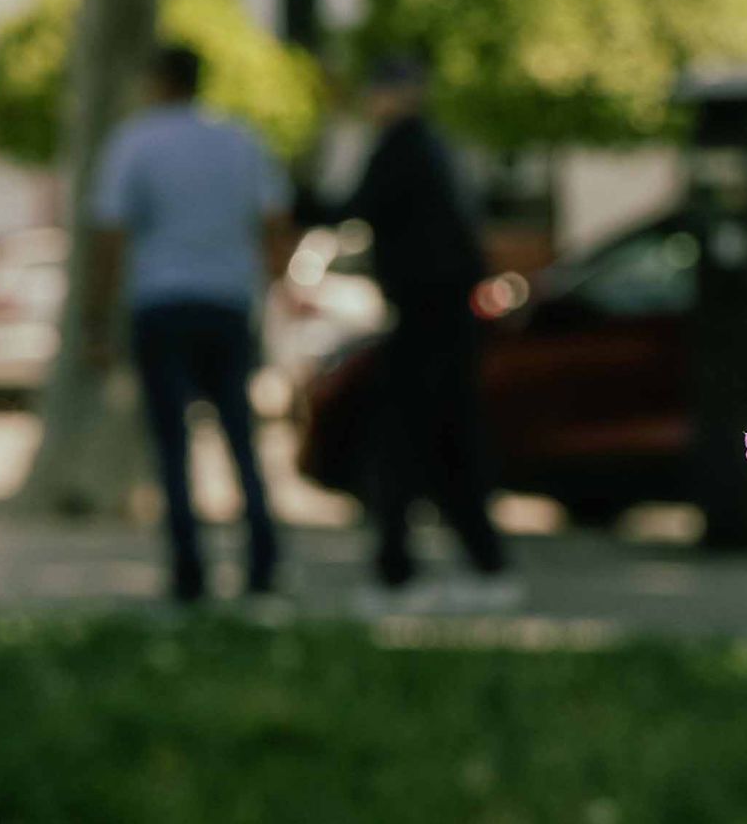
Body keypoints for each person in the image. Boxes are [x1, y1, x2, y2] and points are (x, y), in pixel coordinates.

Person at [87, 45, 292, 604]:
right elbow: (273, 220)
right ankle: (262, 566)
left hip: (162, 304)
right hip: (227, 303)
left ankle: (188, 573)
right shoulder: (240, 139)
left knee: (172, 447)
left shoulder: (136, 142)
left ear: (158, 80)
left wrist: (98, 318)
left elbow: (111, 234)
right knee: (241, 440)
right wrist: (273, 294)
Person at [316, 57, 516, 613]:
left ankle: (400, 572)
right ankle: (474, 564)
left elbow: (349, 208)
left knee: (406, 445)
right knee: (444, 444)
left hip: (425, 314)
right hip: (445, 314)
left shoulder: (401, 148)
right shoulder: (434, 149)